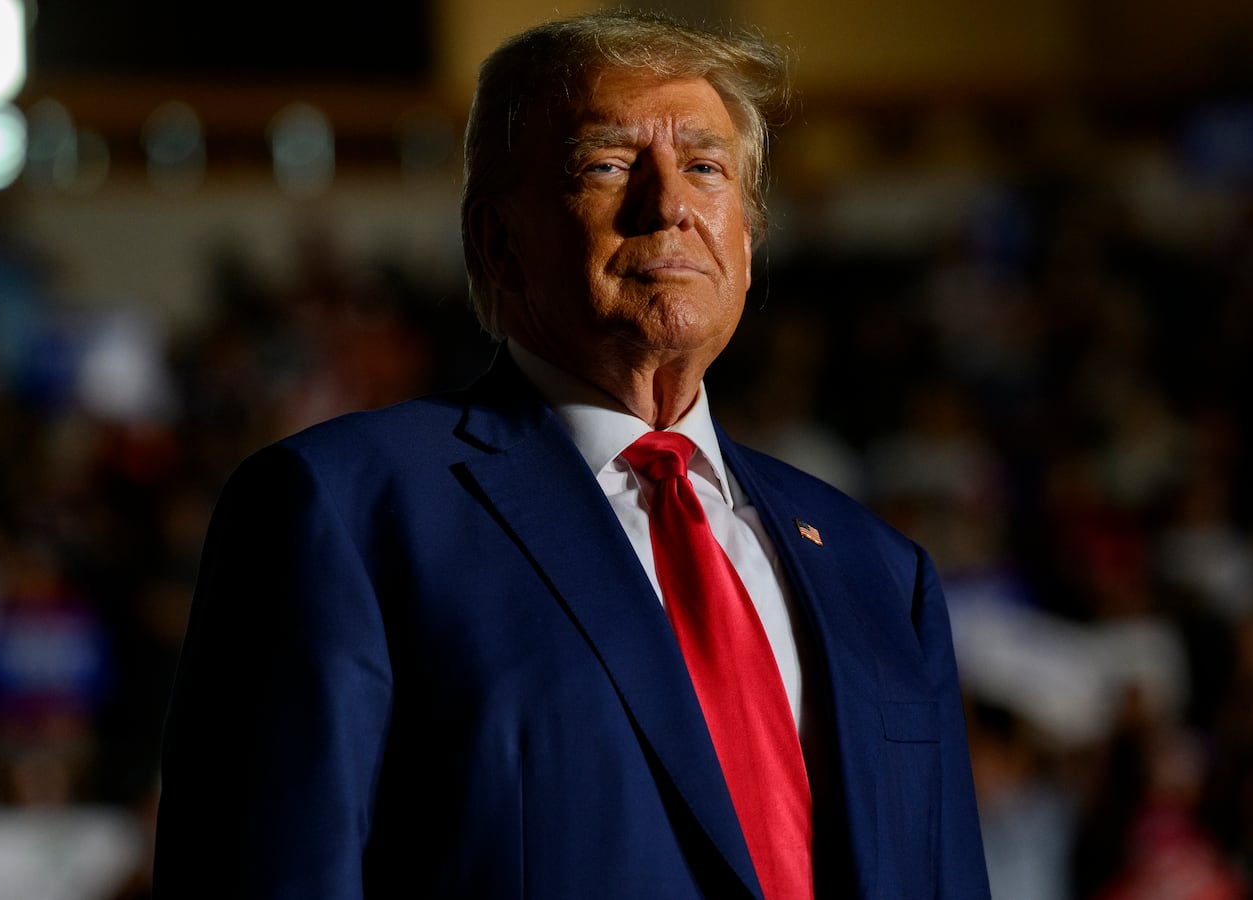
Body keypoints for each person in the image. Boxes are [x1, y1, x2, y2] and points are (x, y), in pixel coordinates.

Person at [152, 10, 989, 899]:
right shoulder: (343, 511)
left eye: (704, 168)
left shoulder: (880, 572)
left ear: (746, 243)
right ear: (497, 241)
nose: (669, 205)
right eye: (608, 165)